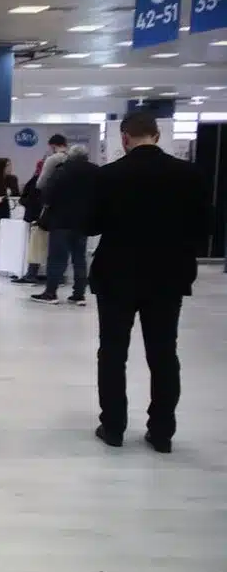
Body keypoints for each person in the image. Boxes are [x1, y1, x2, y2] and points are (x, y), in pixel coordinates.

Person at [86, 111, 209, 453]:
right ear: (157, 135)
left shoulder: (108, 176)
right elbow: (203, 228)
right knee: (164, 353)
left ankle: (113, 426)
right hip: (168, 276)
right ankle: (162, 431)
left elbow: (91, 225)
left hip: (116, 275)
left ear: (124, 138)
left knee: (112, 352)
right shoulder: (189, 175)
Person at [30, 144, 98, 305]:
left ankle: (51, 293)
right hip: (83, 222)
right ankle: (79, 295)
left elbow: (48, 194)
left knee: (56, 259)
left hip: (61, 221)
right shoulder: (95, 171)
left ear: (70, 156)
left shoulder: (62, 171)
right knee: (79, 259)